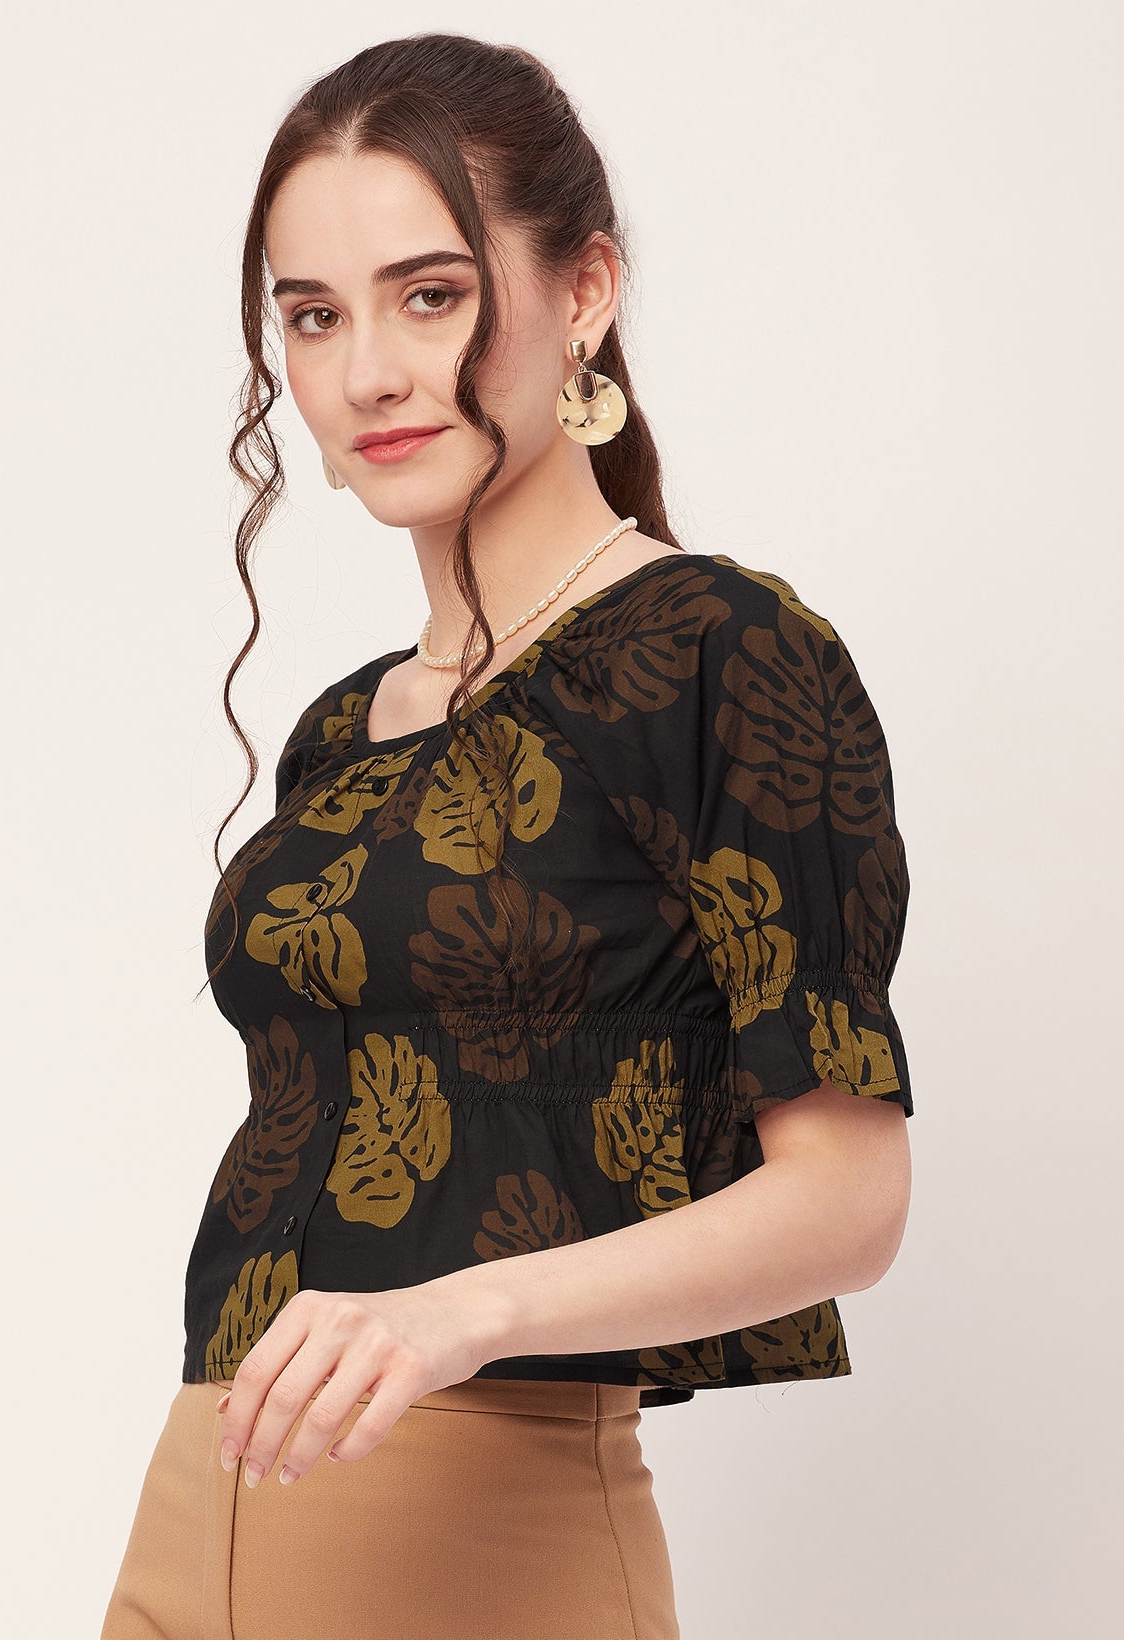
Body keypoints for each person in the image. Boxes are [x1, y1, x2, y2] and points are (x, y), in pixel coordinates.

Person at [100, 31, 913, 1640]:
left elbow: (850, 1200)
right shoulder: (348, 727)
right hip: (200, 1515)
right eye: (312, 316)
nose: (366, 374)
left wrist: (458, 1317)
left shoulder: (723, 654)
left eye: (430, 295)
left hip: (485, 1545)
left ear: (584, 291)